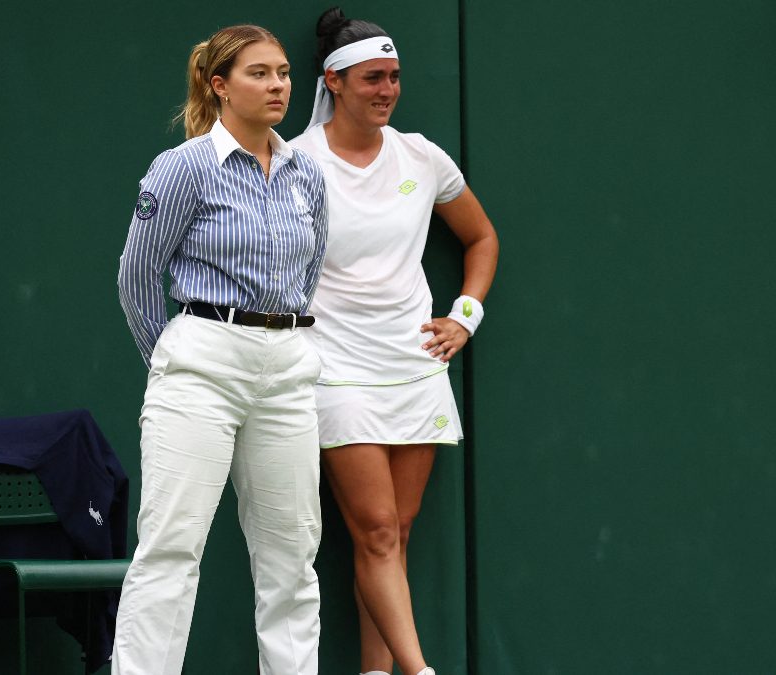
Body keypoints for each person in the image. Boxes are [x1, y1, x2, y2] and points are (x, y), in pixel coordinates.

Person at [290, 8, 499, 675]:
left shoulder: (422, 156)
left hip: (413, 362)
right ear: (337, 82)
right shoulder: (297, 163)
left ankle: (376, 672)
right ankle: (419, 669)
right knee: (377, 529)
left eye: (395, 77)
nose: (387, 89)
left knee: (394, 536)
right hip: (333, 366)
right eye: (374, 78)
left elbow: (482, 237)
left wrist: (463, 315)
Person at [114, 24, 328, 675]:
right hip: (201, 362)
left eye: (284, 73)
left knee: (292, 561)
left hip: (288, 367)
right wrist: (177, 357)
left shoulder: (306, 176)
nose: (277, 85)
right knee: (171, 550)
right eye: (259, 73)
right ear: (219, 85)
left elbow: (309, 271)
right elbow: (136, 277)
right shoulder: (181, 168)